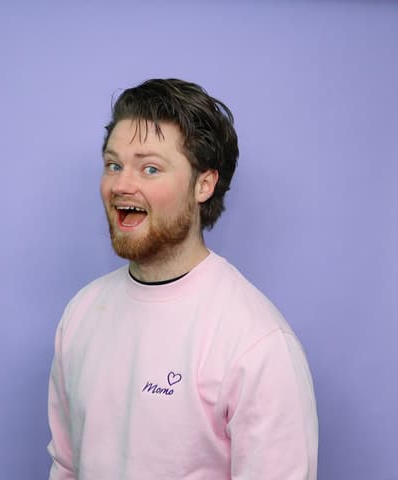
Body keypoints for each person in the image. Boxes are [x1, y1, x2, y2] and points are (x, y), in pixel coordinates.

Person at [47, 78, 318, 479]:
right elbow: (66, 466)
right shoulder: (81, 312)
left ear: (203, 184)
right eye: (114, 165)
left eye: (150, 168)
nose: (121, 185)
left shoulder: (257, 342)